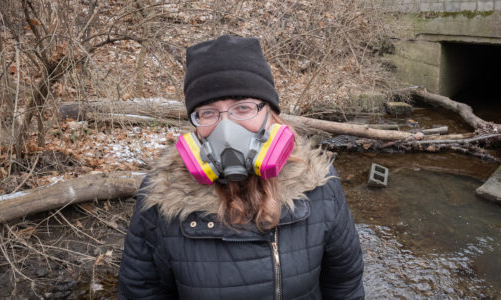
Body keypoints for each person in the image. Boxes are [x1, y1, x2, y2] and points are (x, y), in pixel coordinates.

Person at [117, 35, 365, 299]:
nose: (227, 128)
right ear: (195, 125)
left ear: (270, 114)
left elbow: (344, 286)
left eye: (243, 108)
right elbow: (140, 292)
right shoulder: (161, 197)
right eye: (208, 112)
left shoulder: (320, 184)